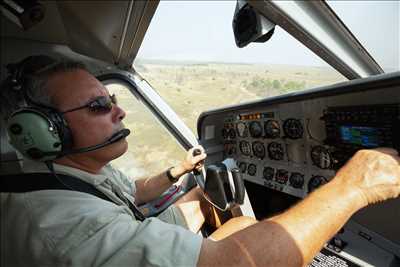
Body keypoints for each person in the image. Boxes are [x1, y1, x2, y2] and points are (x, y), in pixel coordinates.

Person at [1, 56, 399, 267]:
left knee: (206, 196)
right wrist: (354, 186)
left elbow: (133, 191)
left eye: (114, 100)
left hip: (130, 227)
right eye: (98, 106)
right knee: (243, 225)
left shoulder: (73, 175)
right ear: (46, 131)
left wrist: (178, 170)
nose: (118, 113)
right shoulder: (62, 224)